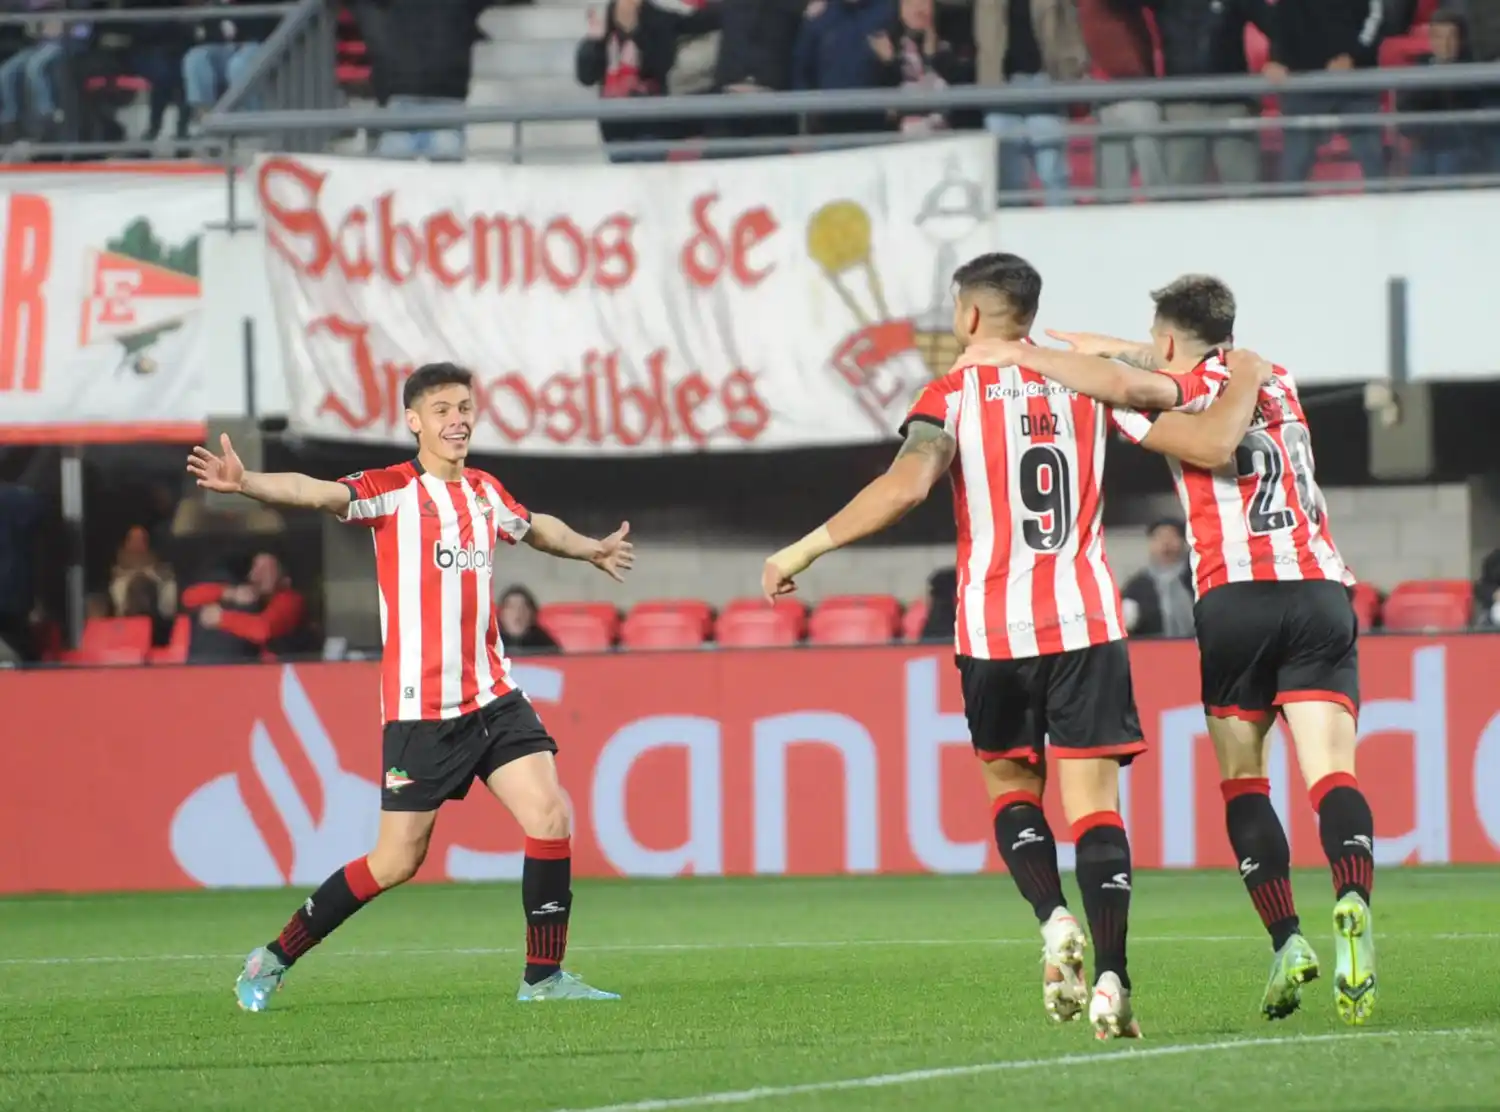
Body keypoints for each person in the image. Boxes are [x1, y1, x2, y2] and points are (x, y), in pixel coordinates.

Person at [760, 253, 1263, 1039]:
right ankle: (1112, 977)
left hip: (994, 628)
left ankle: (1052, 914)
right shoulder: (1085, 378)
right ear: (1030, 313)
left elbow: (906, 487)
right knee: (1095, 808)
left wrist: (801, 551)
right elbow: (1166, 405)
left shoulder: (950, 394)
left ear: (967, 318)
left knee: (1012, 794)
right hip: (1087, 620)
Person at [965, 274, 1378, 1026]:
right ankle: (1352, 895)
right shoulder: (1274, 376)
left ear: (1163, 342)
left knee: (1245, 781)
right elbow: (1149, 359)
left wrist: (1023, 355)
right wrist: (1087, 342)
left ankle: (1288, 939)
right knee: (1332, 773)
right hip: (1319, 586)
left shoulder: (1164, 398)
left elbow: (1155, 398)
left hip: (1235, 596)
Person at [186, 361, 634, 1011]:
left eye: (465, 407)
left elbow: (535, 527)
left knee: (550, 814)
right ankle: (275, 955)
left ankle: (543, 979)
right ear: (414, 421)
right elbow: (317, 493)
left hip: (494, 696)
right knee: (396, 862)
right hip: (422, 710)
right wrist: (248, 481)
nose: (458, 419)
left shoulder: (485, 491)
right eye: (443, 409)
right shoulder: (392, 490)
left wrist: (590, 548)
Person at [181, 551, 308, 663]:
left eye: (267, 570)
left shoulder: (291, 599)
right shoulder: (249, 597)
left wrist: (220, 618)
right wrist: (229, 593)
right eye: (255, 567)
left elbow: (263, 630)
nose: (257, 574)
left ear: (285, 579)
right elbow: (189, 598)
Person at [1120, 518, 1195, 637]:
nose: (1166, 543)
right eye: (1159, 537)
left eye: (1172, 536)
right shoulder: (1137, 586)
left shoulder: (1195, 578)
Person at [498, 585, 561, 654]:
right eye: (511, 607)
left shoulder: (546, 645)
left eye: (523, 607)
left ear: (532, 614)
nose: (517, 613)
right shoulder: (491, 642)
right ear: (501, 614)